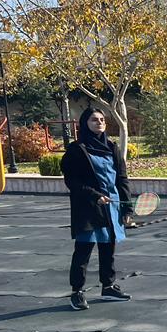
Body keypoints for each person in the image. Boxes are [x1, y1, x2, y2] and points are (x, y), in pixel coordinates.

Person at [60, 108, 133, 311]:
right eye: (94, 120)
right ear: (85, 123)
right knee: (83, 251)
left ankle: (108, 287)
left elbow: (122, 179)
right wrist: (94, 196)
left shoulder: (112, 147)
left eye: (102, 119)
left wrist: (127, 208)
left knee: (108, 248)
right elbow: (72, 181)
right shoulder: (77, 149)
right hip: (88, 207)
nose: (99, 122)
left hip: (112, 206)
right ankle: (77, 291)